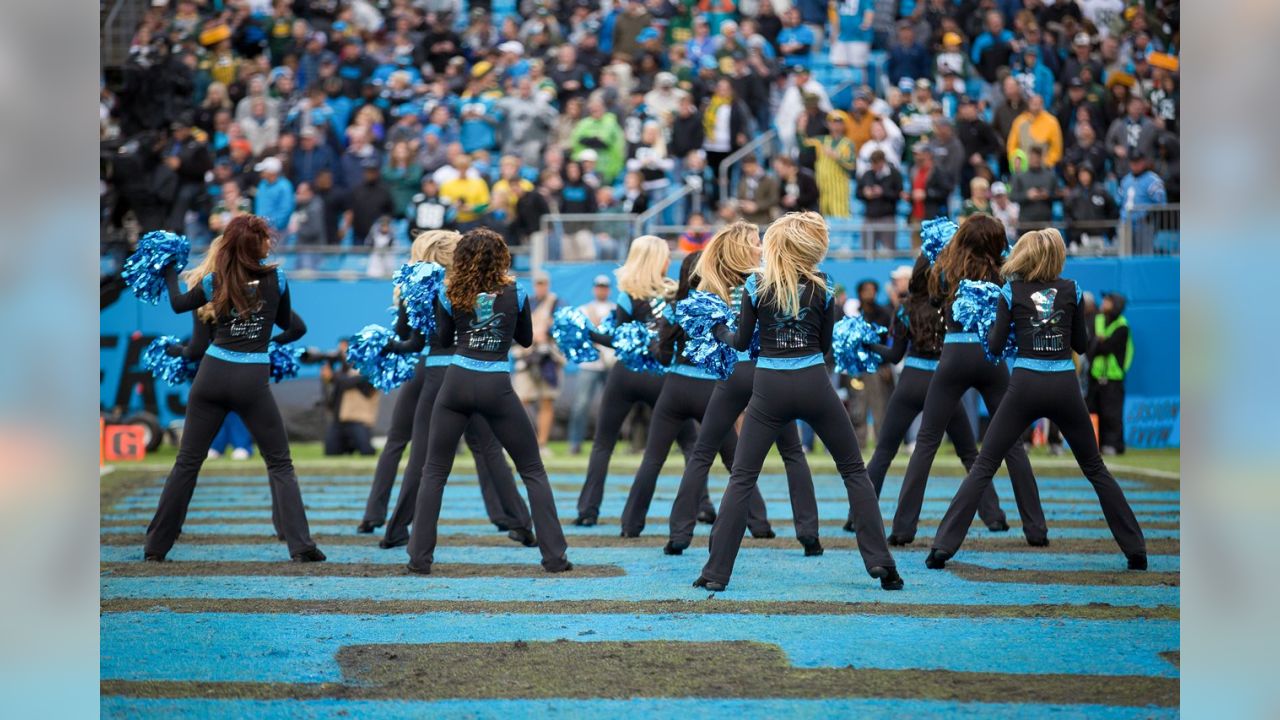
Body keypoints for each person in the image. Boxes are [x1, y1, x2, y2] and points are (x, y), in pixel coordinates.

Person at [693, 212, 901, 593]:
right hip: (814, 383)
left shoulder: (756, 285)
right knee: (854, 471)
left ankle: (715, 572)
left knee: (742, 477)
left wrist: (717, 330)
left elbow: (740, 342)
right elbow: (824, 348)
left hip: (769, 385)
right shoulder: (823, 287)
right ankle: (881, 563)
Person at [926, 229, 1146, 571]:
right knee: (1095, 468)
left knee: (985, 465)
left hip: (1025, 385)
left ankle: (941, 548)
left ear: (1024, 256)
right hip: (1064, 385)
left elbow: (997, 348)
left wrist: (1000, 328)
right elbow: (1081, 346)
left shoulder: (1010, 290)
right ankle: (1136, 549)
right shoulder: (1073, 289)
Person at [148, 214, 323, 562]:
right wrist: (269, 343)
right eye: (265, 238)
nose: (269, 242)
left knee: (187, 462)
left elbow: (178, 304)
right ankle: (301, 547)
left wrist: (169, 272)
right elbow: (294, 327)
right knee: (280, 463)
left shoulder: (217, 281)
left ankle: (155, 548)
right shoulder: (278, 279)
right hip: (251, 380)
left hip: (211, 375)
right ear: (257, 245)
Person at [405, 228, 574, 575]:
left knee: (434, 471)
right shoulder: (516, 290)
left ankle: (419, 560)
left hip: (456, 382)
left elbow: (441, 337)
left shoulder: (449, 290)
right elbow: (526, 340)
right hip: (495, 383)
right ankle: (555, 558)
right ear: (502, 257)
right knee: (533, 470)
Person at [887, 213, 1048, 546]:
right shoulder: (1004, 271)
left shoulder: (943, 271)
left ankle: (903, 529)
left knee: (927, 443)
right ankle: (1035, 528)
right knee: (1012, 444)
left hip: (955, 355)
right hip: (991, 358)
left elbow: (926, 293)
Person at [665, 223, 821, 555]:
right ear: (743, 248)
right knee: (792, 452)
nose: (762, 246)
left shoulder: (712, 287)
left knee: (703, 453)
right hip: (769, 373)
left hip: (734, 374)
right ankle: (809, 534)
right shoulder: (767, 281)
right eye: (755, 241)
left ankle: (679, 535)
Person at [375, 231, 536, 548]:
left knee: (423, 456)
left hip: (439, 375)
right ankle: (521, 522)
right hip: (474, 371)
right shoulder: (468, 283)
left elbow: (414, 339)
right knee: (489, 450)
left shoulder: (423, 287)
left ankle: (397, 530)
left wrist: (387, 345)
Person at [841, 256, 1008, 534]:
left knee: (883, 452)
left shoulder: (905, 308)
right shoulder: (950, 306)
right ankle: (994, 516)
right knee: (968, 453)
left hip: (910, 383)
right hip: (942, 384)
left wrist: (868, 344)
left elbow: (894, 356)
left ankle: (857, 516)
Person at [574, 236, 705, 527]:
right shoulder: (674, 293)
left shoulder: (626, 294)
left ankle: (588, 510)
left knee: (603, 444)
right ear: (657, 260)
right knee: (690, 444)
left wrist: (590, 333)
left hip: (625, 375)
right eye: (665, 256)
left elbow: (619, 341)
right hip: (661, 376)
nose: (669, 260)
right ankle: (703, 505)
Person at [512, 271, 563, 451]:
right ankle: (526, 440)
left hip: (547, 358)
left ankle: (542, 443)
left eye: (543, 284)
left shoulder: (557, 303)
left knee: (546, 400)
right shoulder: (529, 302)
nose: (541, 287)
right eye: (538, 284)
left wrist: (547, 334)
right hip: (527, 356)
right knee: (521, 399)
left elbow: (563, 327)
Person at [567, 276, 616, 456]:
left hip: (609, 362)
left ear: (608, 289)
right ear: (594, 289)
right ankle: (575, 443)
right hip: (589, 363)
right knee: (581, 405)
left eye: (604, 287)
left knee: (612, 406)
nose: (601, 290)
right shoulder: (584, 310)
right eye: (599, 287)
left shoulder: (614, 310)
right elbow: (576, 335)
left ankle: (607, 444)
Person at [1088, 291, 1134, 456]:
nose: (1103, 303)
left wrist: (1100, 342)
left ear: (1116, 305)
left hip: (1113, 377)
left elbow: (1106, 347)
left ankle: (1114, 445)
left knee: (1112, 413)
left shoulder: (1122, 326)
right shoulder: (1098, 320)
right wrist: (1099, 342)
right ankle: (1098, 446)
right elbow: (1090, 344)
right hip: (1095, 375)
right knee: (1094, 411)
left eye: (1108, 301)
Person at [320, 339, 379, 456]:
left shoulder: (366, 368)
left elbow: (347, 382)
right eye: (340, 351)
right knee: (330, 452)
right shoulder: (339, 372)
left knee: (366, 451)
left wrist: (331, 377)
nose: (342, 354)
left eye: (345, 350)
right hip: (339, 421)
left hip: (358, 420)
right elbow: (330, 396)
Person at [806, 111, 857, 219]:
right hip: (822, 188)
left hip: (838, 189)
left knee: (840, 218)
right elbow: (804, 144)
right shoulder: (822, 140)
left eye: (839, 122)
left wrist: (837, 157)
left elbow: (851, 165)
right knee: (822, 220)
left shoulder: (848, 143)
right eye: (833, 122)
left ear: (844, 125)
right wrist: (801, 129)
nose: (835, 125)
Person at [856, 149, 902, 251]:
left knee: (889, 250)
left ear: (882, 161)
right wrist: (865, 193)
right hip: (870, 217)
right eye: (873, 163)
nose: (874, 166)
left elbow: (899, 195)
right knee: (867, 250)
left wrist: (883, 192)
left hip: (887, 217)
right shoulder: (867, 174)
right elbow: (858, 193)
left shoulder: (894, 174)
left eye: (876, 163)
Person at [1006, 93, 1063, 169]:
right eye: (1033, 103)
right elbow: (1011, 146)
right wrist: (1016, 160)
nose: (1036, 106)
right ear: (1029, 104)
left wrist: (1047, 163)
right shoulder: (1019, 121)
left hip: (1044, 168)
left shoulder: (1052, 122)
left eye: (1038, 103)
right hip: (1023, 167)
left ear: (1042, 105)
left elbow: (1057, 149)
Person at [1011, 147, 1058, 229]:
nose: (1036, 160)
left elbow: (1058, 194)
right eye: (1033, 157)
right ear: (1029, 158)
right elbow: (1012, 196)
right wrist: (1027, 195)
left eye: (1038, 157)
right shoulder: (1020, 176)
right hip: (1026, 223)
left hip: (1045, 222)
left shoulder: (1050, 176)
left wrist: (1048, 194)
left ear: (1042, 158)